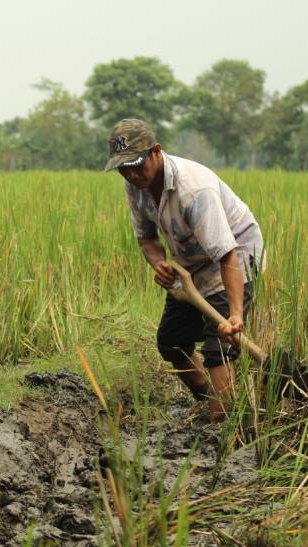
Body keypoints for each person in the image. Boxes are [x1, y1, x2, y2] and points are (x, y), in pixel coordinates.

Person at [105, 119, 264, 421]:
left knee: (219, 344)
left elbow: (227, 254)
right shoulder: (134, 184)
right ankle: (212, 400)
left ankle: (223, 424)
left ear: (156, 151)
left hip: (233, 258)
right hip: (190, 265)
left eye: (137, 165)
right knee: (172, 341)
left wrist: (235, 314)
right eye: (123, 168)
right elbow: (147, 238)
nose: (132, 174)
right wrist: (160, 264)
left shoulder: (194, 190)